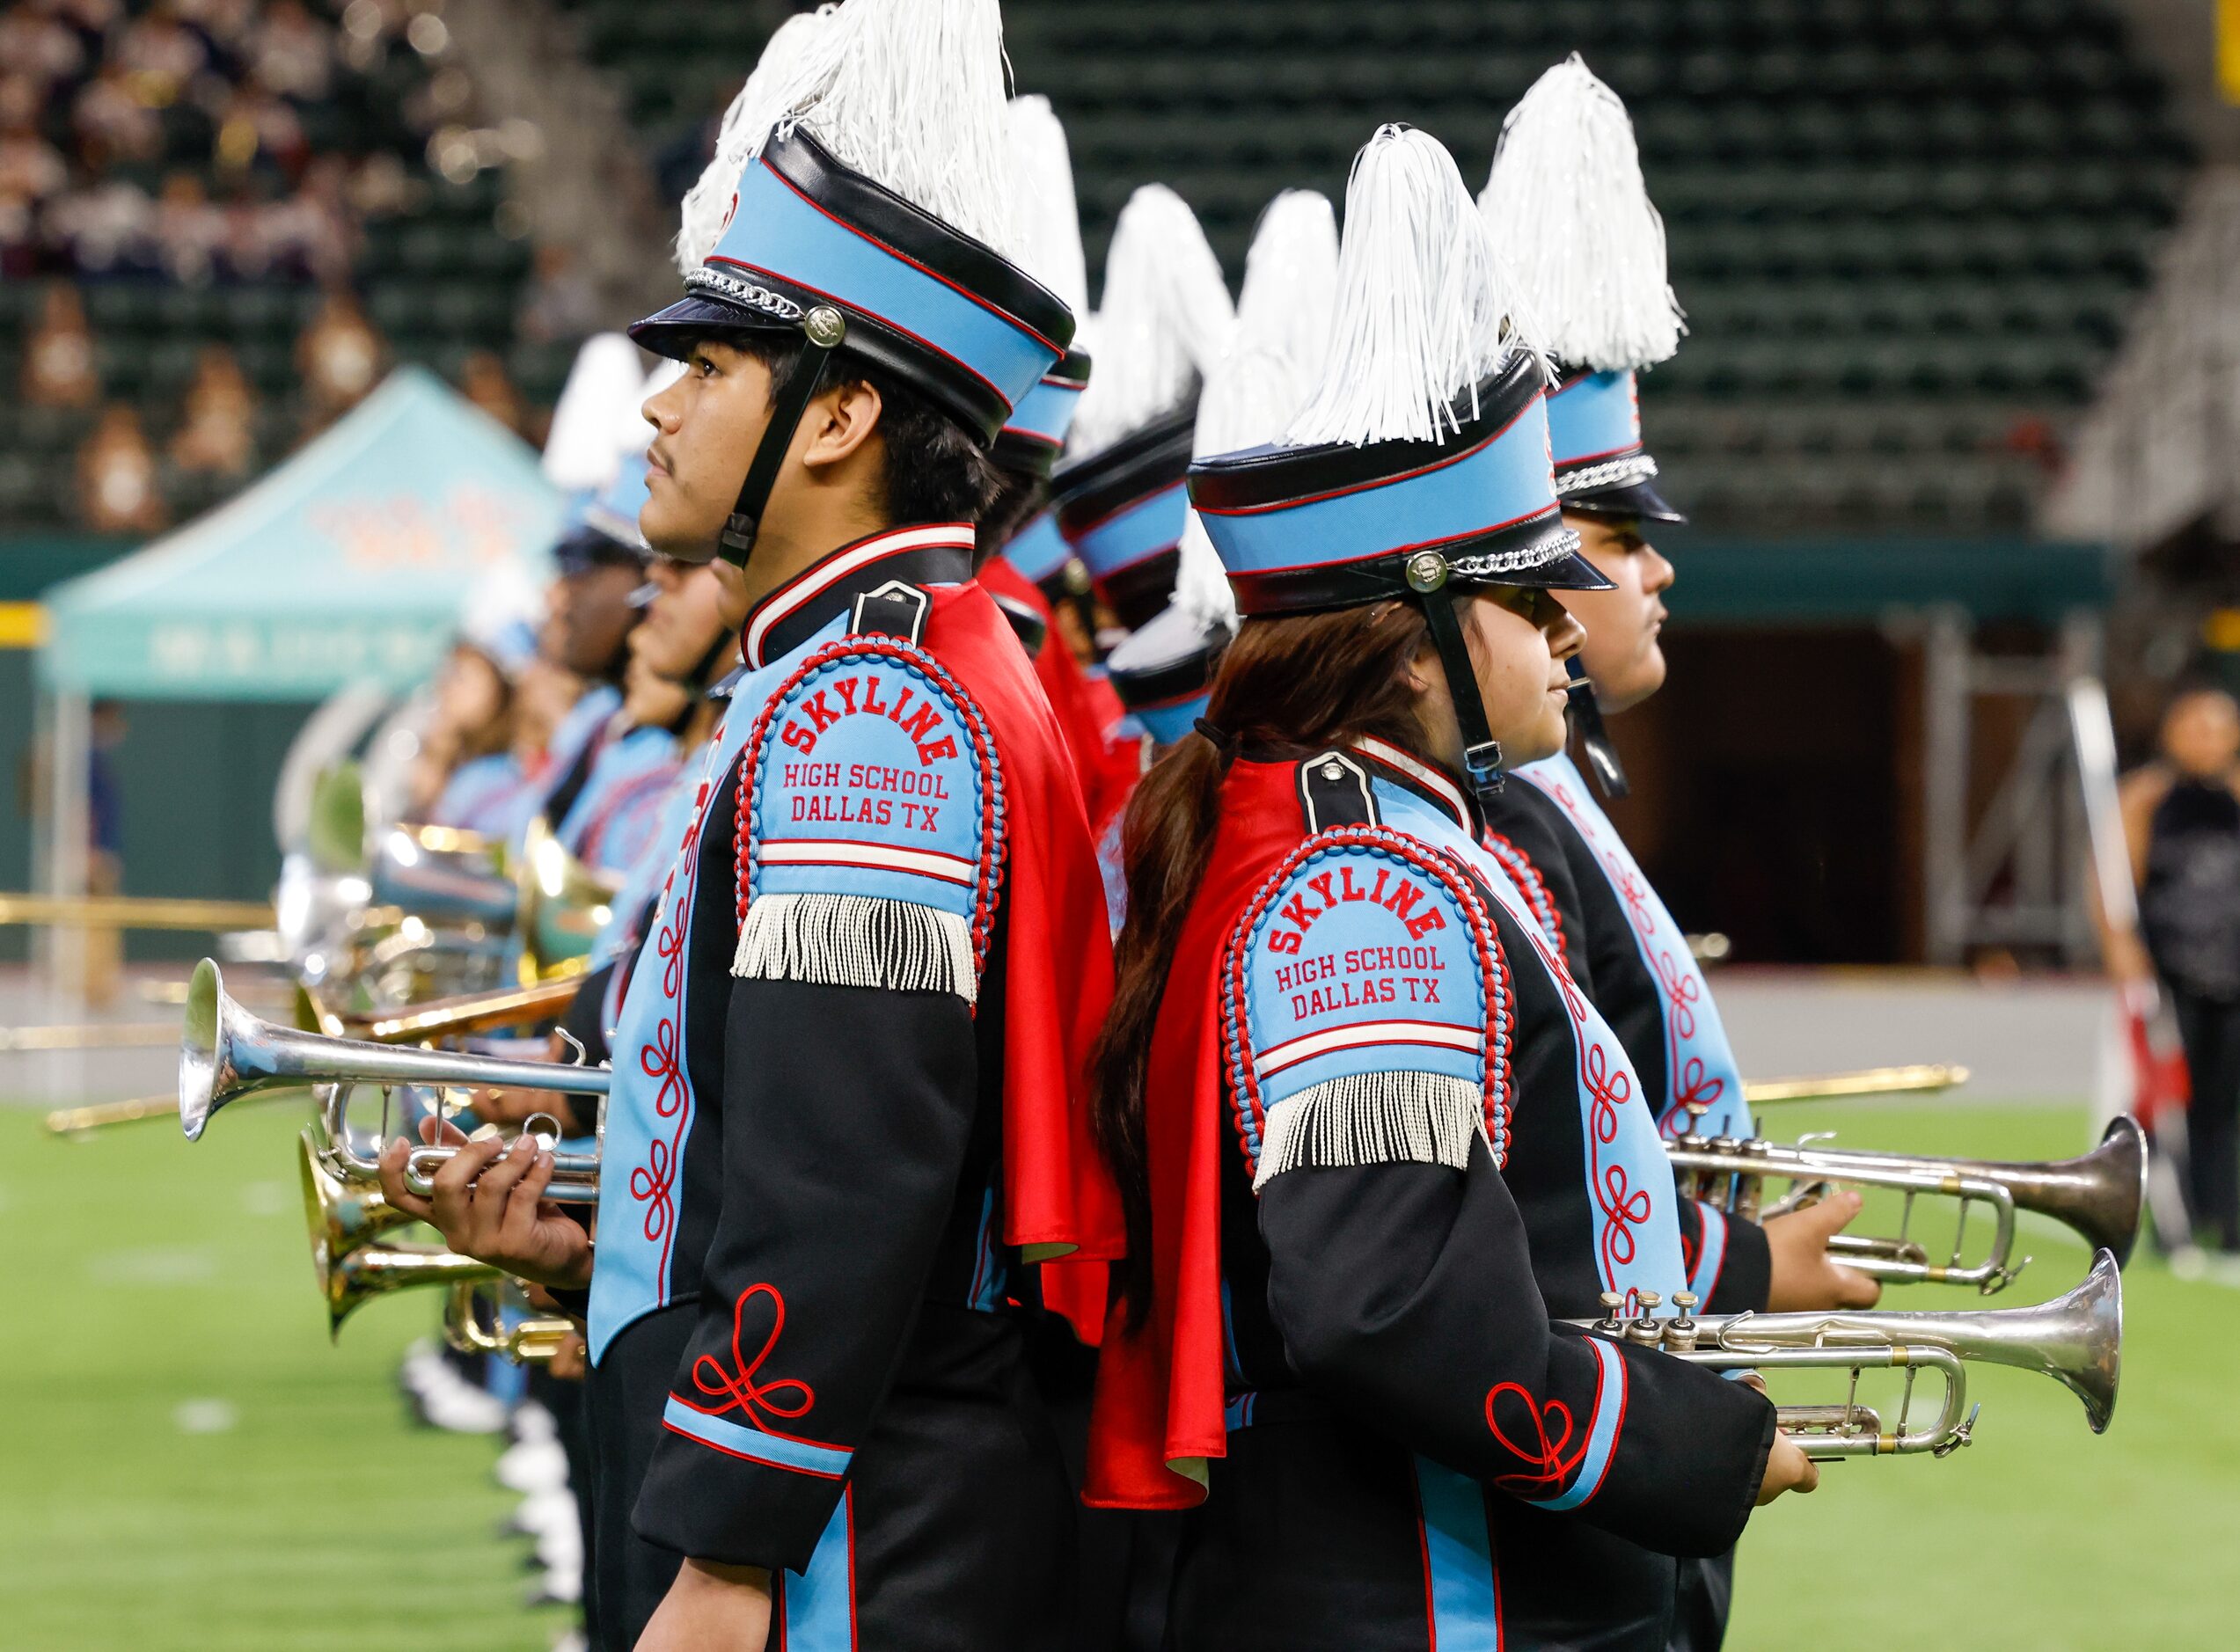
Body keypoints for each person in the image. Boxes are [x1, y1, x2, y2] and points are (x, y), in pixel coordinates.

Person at [383, 3, 1123, 1645]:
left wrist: (726, 1551)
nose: (659, 408)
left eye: (707, 366)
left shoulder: (872, 707)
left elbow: (851, 1171)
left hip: (849, 1547)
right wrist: (599, 1247)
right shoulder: (873, 668)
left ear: (841, 418)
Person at [1081, 125, 1813, 1652]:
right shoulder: (1365, 891)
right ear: (1415, 635)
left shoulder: (1360, 838)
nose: (1573, 611)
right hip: (1435, 1598)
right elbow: (1389, 1306)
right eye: (1529, 577)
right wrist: (1692, 1446)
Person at [1478, 58, 1881, 1649]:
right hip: (1578, 1419)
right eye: (1619, 533)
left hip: (1638, 1390)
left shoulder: (1558, 785)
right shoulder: (1499, 808)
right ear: (1537, 564)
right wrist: (1733, 1261)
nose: (1655, 572)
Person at [2112, 683, 2240, 1262]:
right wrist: (2128, 960)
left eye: (2215, 729)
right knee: (2170, 1104)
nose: (2203, 741)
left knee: (2227, 1102)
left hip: (2232, 972)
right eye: (2193, 728)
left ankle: (2228, 1214)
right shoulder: (2147, 798)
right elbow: (2114, 883)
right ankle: (2177, 1219)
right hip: (2172, 974)